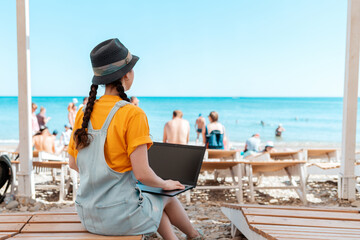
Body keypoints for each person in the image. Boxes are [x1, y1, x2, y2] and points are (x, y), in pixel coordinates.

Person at [68, 39, 202, 239]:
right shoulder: (132, 113)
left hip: (88, 215)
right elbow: (142, 173)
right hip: (120, 217)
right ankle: (195, 235)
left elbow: (73, 163)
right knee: (164, 196)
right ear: (127, 74)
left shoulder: (82, 113)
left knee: (152, 201)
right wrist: (165, 183)